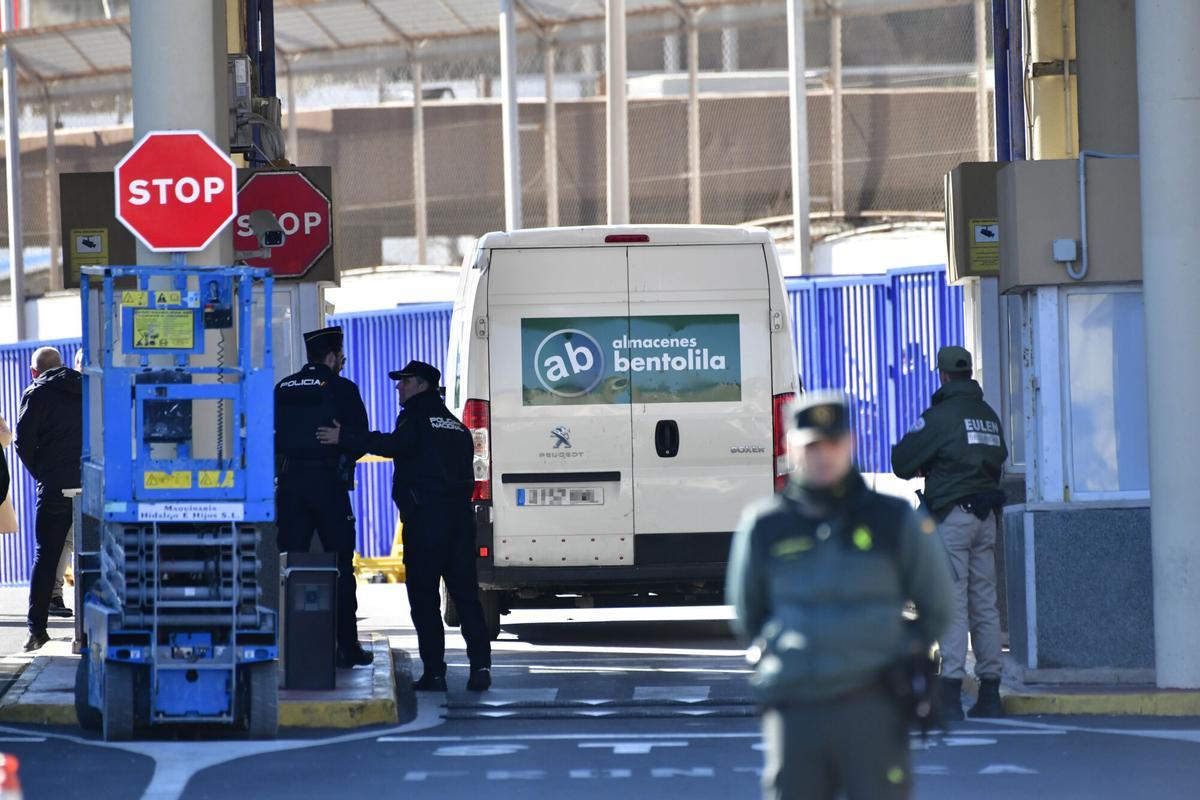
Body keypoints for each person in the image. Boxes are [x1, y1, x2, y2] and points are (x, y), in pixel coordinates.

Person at [727, 393, 953, 800]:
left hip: (875, 706)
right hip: (797, 708)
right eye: (812, 445)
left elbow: (938, 605)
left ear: (849, 444)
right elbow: (748, 613)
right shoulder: (765, 526)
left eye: (832, 444)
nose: (822, 456)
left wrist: (897, 647)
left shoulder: (893, 519)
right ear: (791, 447)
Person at [316, 360, 492, 692]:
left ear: (422, 385)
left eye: (405, 381)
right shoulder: (456, 426)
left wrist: (346, 437)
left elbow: (393, 445)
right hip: (459, 522)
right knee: (467, 597)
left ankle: (435, 673)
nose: (399, 387)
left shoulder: (416, 418)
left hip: (427, 521)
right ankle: (480, 667)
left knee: (424, 598)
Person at [892, 345, 1008, 721]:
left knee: (953, 603)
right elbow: (998, 457)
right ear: (968, 373)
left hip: (953, 519)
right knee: (985, 604)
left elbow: (901, 461)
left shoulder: (940, 417)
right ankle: (991, 693)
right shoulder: (988, 416)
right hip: (985, 519)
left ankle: (952, 693)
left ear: (942, 375)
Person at [274, 326, 374, 669]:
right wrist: (342, 441)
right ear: (331, 357)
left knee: (289, 566)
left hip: (290, 485)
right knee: (341, 567)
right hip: (329, 485)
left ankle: (288, 645)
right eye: (340, 357)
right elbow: (360, 441)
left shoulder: (282, 388)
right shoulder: (343, 389)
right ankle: (347, 647)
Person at [15, 347, 82, 652]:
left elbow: (23, 442)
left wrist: (43, 472)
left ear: (34, 372)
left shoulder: (35, 393)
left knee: (47, 557)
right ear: (63, 365)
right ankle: (88, 629)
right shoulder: (86, 386)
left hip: (55, 485)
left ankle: (37, 631)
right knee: (95, 556)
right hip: (91, 483)